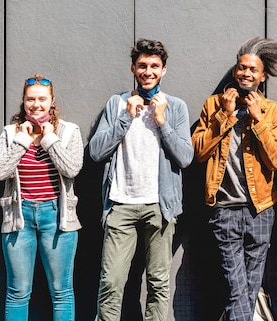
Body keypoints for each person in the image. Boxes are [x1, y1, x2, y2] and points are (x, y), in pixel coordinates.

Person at [89, 38, 193, 321]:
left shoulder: (175, 107)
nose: (148, 71)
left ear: (164, 70)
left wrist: (162, 121)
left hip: (159, 207)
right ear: (133, 68)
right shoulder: (117, 103)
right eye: (143, 65)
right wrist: (125, 117)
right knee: (111, 282)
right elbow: (96, 152)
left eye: (154, 66)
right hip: (120, 205)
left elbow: (185, 157)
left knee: (158, 283)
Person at [191, 36, 277, 321]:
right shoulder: (213, 105)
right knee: (236, 287)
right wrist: (224, 116)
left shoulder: (271, 110)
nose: (246, 73)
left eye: (253, 69)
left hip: (261, 209)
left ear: (263, 75)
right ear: (235, 71)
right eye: (242, 67)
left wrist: (257, 120)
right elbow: (198, 151)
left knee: (251, 284)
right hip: (224, 208)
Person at [0, 74, 84, 321]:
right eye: (30, 99)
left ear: (51, 100)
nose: (36, 104)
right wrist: (23, 139)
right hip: (19, 217)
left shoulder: (69, 131)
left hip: (57, 217)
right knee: (18, 291)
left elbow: (72, 169)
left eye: (42, 99)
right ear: (23, 102)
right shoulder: (11, 133)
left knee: (61, 291)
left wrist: (50, 138)